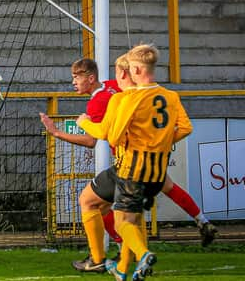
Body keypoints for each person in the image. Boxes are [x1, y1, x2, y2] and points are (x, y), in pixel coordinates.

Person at [78, 44, 193, 281]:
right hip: (157, 174)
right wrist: (159, 141)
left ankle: (135, 255)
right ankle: (122, 269)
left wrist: (84, 123)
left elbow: (113, 136)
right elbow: (185, 127)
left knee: (119, 221)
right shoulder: (170, 96)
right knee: (131, 219)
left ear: (135, 70)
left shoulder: (128, 98)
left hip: (132, 169)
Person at [40, 58, 123, 273]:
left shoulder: (96, 101)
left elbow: (90, 141)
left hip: (127, 161)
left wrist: (56, 132)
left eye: (77, 77)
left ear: (91, 78)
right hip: (136, 158)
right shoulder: (113, 86)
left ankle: (98, 260)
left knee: (87, 200)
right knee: (103, 208)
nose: (73, 82)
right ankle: (125, 249)